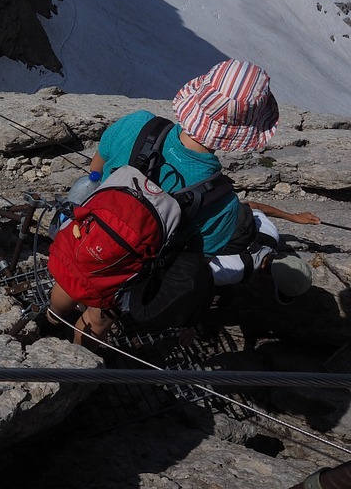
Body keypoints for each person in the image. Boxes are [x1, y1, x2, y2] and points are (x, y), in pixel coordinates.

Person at [48, 59, 281, 344]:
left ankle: (50, 320)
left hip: (83, 238)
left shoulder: (138, 124)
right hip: (125, 273)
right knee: (98, 318)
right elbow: (193, 259)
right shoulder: (222, 201)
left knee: (68, 281)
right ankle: (74, 360)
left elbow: (98, 166)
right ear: (241, 133)